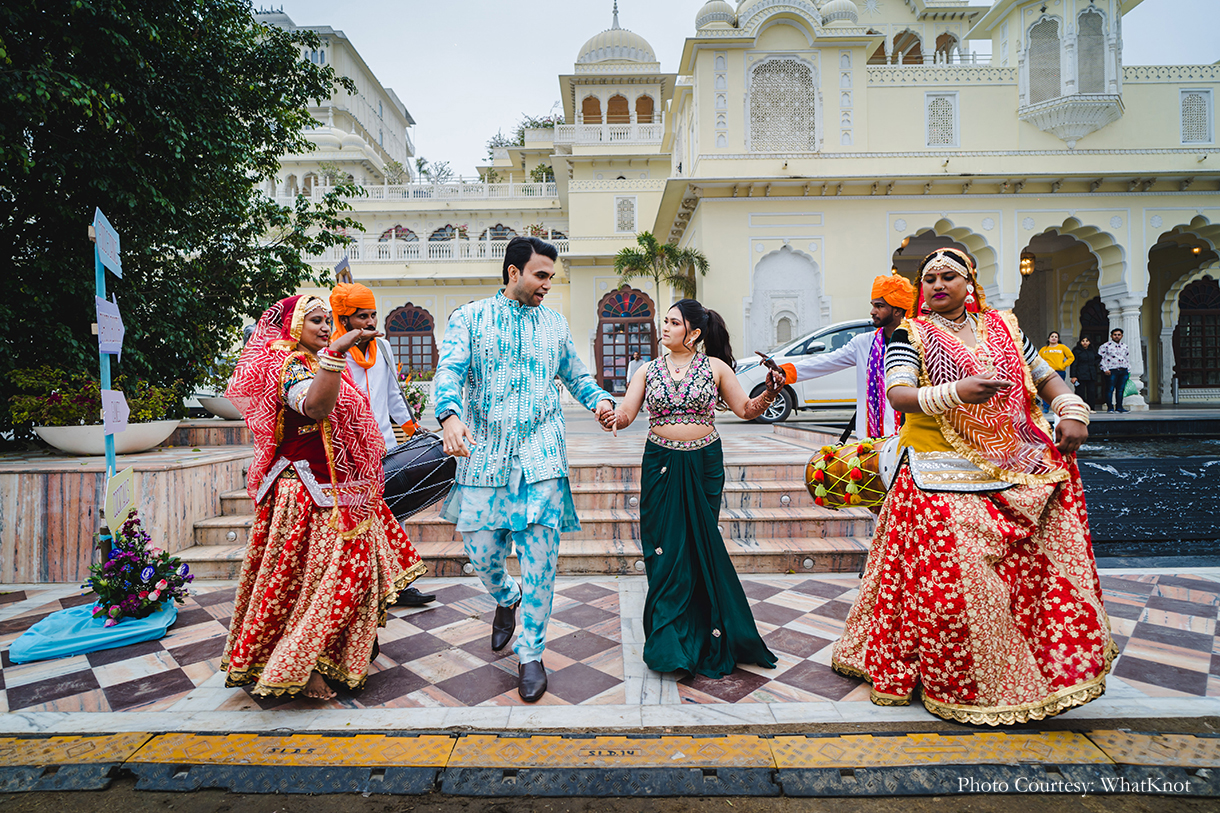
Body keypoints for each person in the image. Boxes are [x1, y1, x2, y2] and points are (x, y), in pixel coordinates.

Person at [831, 247, 1114, 725]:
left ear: (970, 283)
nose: (938, 284)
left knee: (1045, 564)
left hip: (1015, 464)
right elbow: (899, 394)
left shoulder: (1005, 329)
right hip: (939, 472)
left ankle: (1035, 668)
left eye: (949, 276)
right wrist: (955, 392)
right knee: (959, 586)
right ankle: (965, 678)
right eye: (930, 279)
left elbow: (1046, 381)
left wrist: (1073, 411)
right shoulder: (911, 334)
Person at [434, 235, 616, 702]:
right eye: (540, 275)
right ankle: (504, 597)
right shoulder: (469, 319)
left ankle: (531, 653)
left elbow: (576, 376)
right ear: (513, 271)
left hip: (541, 459)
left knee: (542, 564)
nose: (547, 284)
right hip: (486, 456)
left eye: (551, 277)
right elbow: (449, 372)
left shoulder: (554, 325)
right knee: (481, 552)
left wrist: (599, 402)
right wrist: (450, 416)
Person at [222, 295, 426, 700]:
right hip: (306, 492)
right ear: (294, 324)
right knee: (311, 585)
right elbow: (314, 407)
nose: (322, 326)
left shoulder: (316, 361)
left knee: (356, 577)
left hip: (344, 486)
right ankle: (298, 666)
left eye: (326, 320)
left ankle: (339, 650)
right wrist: (336, 352)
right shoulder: (284, 363)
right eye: (315, 320)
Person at [603, 299, 784, 678]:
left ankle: (709, 635)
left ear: (695, 333)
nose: (663, 328)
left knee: (701, 547)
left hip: (703, 465)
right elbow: (626, 414)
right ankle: (671, 647)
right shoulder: (647, 370)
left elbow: (746, 410)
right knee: (666, 553)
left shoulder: (716, 368)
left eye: (673, 322)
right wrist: (609, 416)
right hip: (661, 465)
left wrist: (769, 392)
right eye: (664, 321)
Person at [329, 282, 435, 609]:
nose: (371, 322)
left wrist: (412, 429)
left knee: (395, 515)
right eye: (363, 316)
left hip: (384, 448)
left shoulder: (384, 349)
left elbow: (393, 396)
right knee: (356, 524)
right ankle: (364, 589)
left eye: (374, 315)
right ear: (344, 320)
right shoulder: (331, 355)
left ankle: (401, 585)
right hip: (346, 454)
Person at [775, 273, 915, 440]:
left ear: (897, 310)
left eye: (879, 306)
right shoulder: (864, 343)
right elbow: (827, 361)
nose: (872, 311)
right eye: (873, 305)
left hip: (910, 439)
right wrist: (785, 371)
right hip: (870, 441)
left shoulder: (919, 342)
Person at [1037, 331, 1075, 412]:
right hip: (1047, 372)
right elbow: (1038, 360)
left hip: (1059, 371)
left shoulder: (1062, 347)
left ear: (1058, 339)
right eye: (1052, 336)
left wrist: (1063, 365)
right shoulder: (1044, 349)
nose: (1054, 338)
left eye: (1056, 337)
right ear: (1049, 338)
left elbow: (1071, 357)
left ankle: (1060, 407)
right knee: (1046, 390)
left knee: (1059, 390)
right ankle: (1046, 407)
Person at [1099, 328, 1131, 413]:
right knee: (1110, 389)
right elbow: (1100, 358)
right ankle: (1110, 408)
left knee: (1120, 390)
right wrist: (1105, 369)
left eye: (1118, 335)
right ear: (1111, 336)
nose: (1117, 336)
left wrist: (1128, 369)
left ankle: (1119, 407)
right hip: (1111, 370)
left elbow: (1127, 358)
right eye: (1115, 335)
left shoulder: (1125, 346)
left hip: (1123, 370)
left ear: (1122, 336)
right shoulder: (1105, 346)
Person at [1070, 335, 1101, 410]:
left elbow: (1098, 357)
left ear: (1089, 342)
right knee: (1080, 391)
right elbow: (1074, 364)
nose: (1085, 343)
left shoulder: (1092, 350)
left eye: (1087, 341)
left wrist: (1094, 364)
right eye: (1083, 341)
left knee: (1091, 391)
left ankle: (1091, 408)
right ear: (1080, 342)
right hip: (1080, 374)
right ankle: (1080, 408)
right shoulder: (1076, 351)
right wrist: (1073, 376)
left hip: (1091, 374)